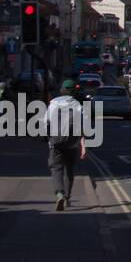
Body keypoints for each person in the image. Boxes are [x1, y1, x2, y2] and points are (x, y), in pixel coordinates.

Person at [47, 79, 86, 211]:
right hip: (72, 143)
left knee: (56, 169)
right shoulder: (77, 105)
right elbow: (82, 126)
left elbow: (45, 122)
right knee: (69, 170)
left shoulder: (53, 104)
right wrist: (83, 145)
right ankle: (67, 197)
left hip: (55, 143)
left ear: (62, 90)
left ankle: (60, 194)